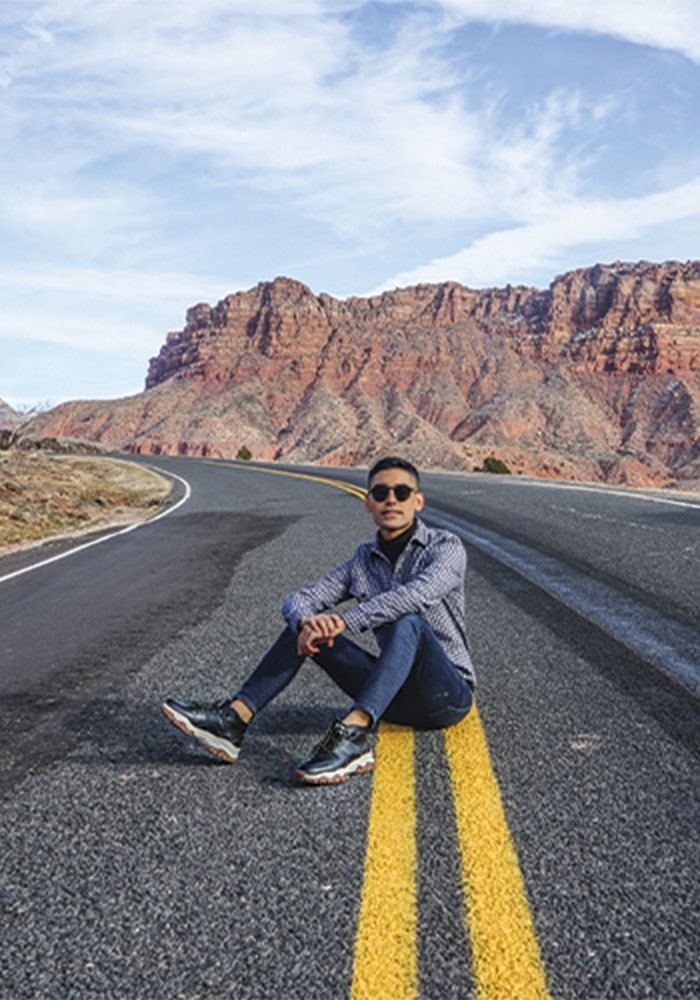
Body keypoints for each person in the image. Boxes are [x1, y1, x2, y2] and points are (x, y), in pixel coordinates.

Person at [161, 456, 475, 785]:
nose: (391, 500)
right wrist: (308, 623)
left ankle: (353, 734)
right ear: (368, 503)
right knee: (305, 626)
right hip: (392, 698)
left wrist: (345, 620)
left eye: (401, 492)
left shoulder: (446, 548)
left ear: (418, 501)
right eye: (380, 493)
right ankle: (233, 720)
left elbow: (417, 595)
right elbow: (298, 600)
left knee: (407, 622)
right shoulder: (363, 561)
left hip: (446, 695)